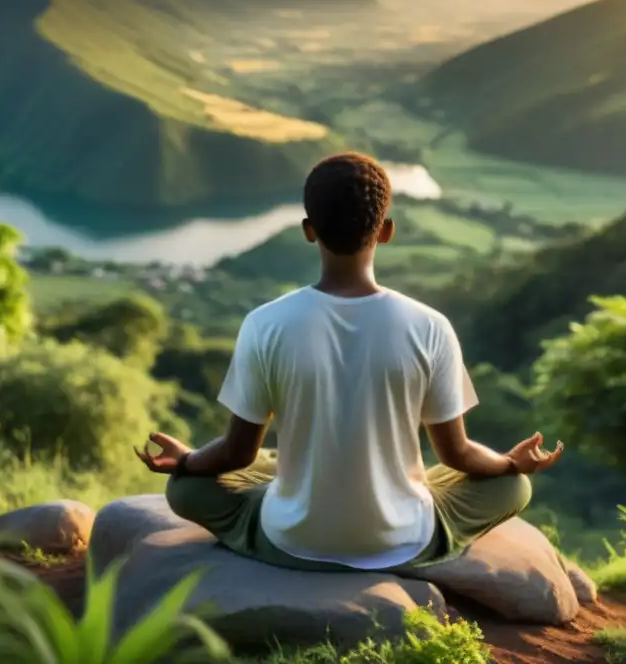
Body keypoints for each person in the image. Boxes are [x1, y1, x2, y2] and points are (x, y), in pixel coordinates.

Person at [135, 152, 564, 572]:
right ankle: (399, 504)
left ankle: (291, 489)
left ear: (308, 230)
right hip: (404, 538)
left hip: (291, 540)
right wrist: (511, 463)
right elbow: (457, 454)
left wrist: (189, 461)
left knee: (186, 490)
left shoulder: (264, 324)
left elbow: (236, 452)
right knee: (514, 487)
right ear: (387, 231)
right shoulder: (430, 326)